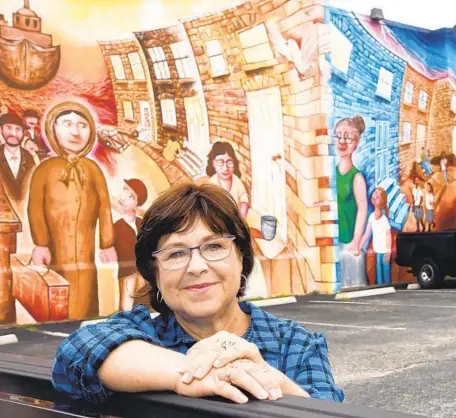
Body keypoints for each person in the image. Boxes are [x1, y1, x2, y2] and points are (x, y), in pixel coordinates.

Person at [52, 183, 344, 404]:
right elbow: (76, 353)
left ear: (241, 255)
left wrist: (268, 379)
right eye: (176, 253)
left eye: (214, 246)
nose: (196, 266)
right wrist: (194, 373)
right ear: (154, 272)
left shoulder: (294, 344)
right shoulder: (144, 334)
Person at [28, 101, 117, 319]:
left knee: (86, 296)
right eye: (67, 124)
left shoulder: (93, 169)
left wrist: (107, 243)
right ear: (53, 128)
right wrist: (40, 244)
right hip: (55, 251)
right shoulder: (44, 170)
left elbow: (105, 207)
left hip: (86, 253)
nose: (75, 132)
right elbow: (35, 209)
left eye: (82, 125)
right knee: (58, 295)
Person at [335, 116, 368, 256]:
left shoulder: (356, 177)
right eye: (338, 136)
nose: (342, 141)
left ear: (356, 143)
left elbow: (362, 210)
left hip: (348, 243)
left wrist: (356, 242)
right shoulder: (332, 173)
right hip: (333, 240)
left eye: (347, 137)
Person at [113, 178, 149, 310]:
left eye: (131, 196)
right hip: (126, 271)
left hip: (143, 271)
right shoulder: (116, 225)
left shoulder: (143, 223)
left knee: (141, 303)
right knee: (126, 306)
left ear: (137, 204)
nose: (124, 197)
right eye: (124, 190)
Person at [0, 112, 36, 205]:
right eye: (8, 128)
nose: (13, 133)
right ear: (1, 129)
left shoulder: (30, 158)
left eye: (18, 129)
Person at [206, 141, 249, 218]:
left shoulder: (237, 182)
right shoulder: (211, 184)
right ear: (213, 163)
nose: (225, 168)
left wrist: (241, 220)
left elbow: (244, 202)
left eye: (229, 162)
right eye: (220, 162)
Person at [359, 187, 392, 285]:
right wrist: (359, 247)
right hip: (378, 251)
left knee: (386, 275)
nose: (375, 196)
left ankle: (388, 290)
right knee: (379, 275)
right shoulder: (372, 217)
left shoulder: (384, 219)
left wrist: (389, 251)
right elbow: (366, 234)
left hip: (385, 251)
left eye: (377, 196)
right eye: (375, 193)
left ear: (381, 202)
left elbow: (388, 235)